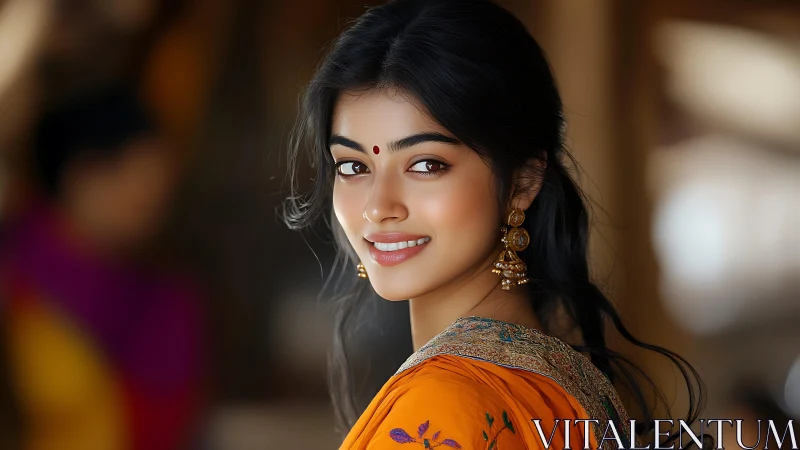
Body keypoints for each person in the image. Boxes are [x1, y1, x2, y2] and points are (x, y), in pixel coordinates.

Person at [284, 1, 706, 448]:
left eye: (426, 164)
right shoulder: (571, 388)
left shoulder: (438, 406)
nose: (377, 207)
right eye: (352, 167)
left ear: (522, 183)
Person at [0, 86, 205, 450]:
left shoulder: (166, 299)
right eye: (119, 172)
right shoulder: (17, 281)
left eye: (155, 179)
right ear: (75, 175)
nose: (146, 192)